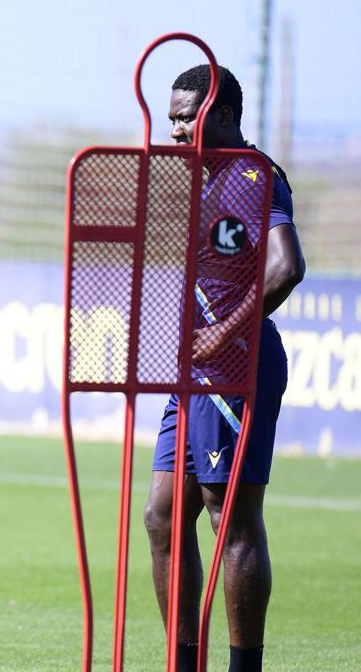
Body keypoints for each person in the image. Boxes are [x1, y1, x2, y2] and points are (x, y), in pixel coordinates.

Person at [143, 64, 305, 672]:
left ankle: (244, 667)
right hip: (196, 373)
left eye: (187, 115)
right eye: (173, 116)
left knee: (228, 514)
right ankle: (184, 663)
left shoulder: (253, 175)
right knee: (162, 515)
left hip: (237, 366)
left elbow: (287, 266)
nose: (176, 127)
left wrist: (222, 331)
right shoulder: (203, 178)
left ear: (225, 114)